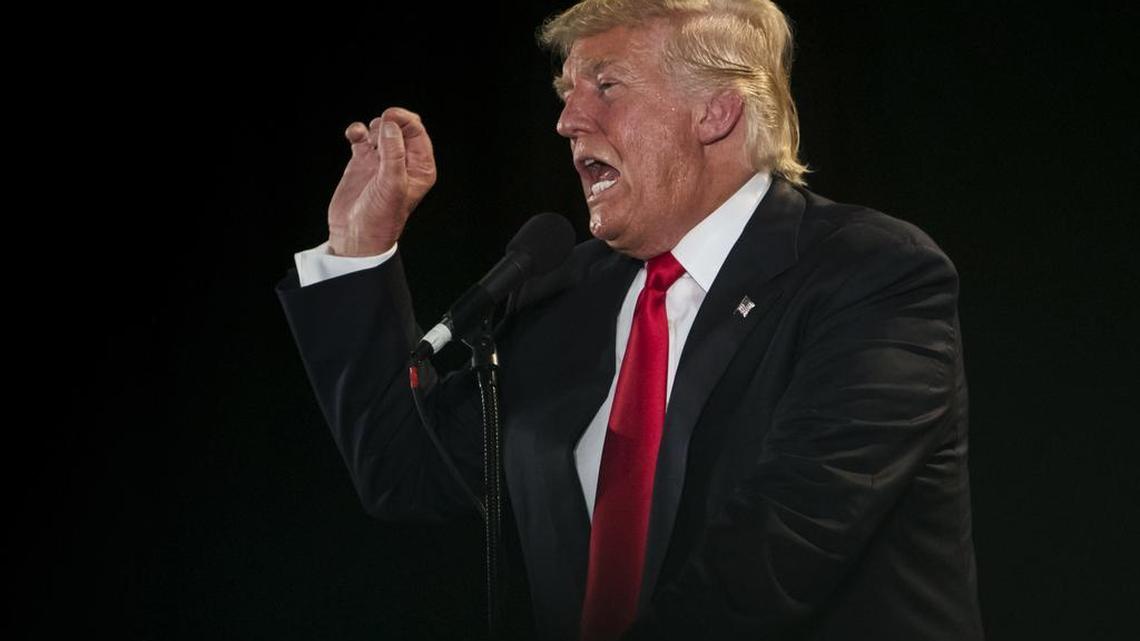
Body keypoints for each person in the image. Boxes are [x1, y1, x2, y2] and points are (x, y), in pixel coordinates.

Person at [277, 1, 983, 640]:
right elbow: (406, 470)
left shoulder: (872, 276)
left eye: (606, 86)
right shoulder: (565, 293)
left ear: (717, 111)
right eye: (566, 93)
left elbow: (780, 549)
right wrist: (359, 248)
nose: (566, 119)